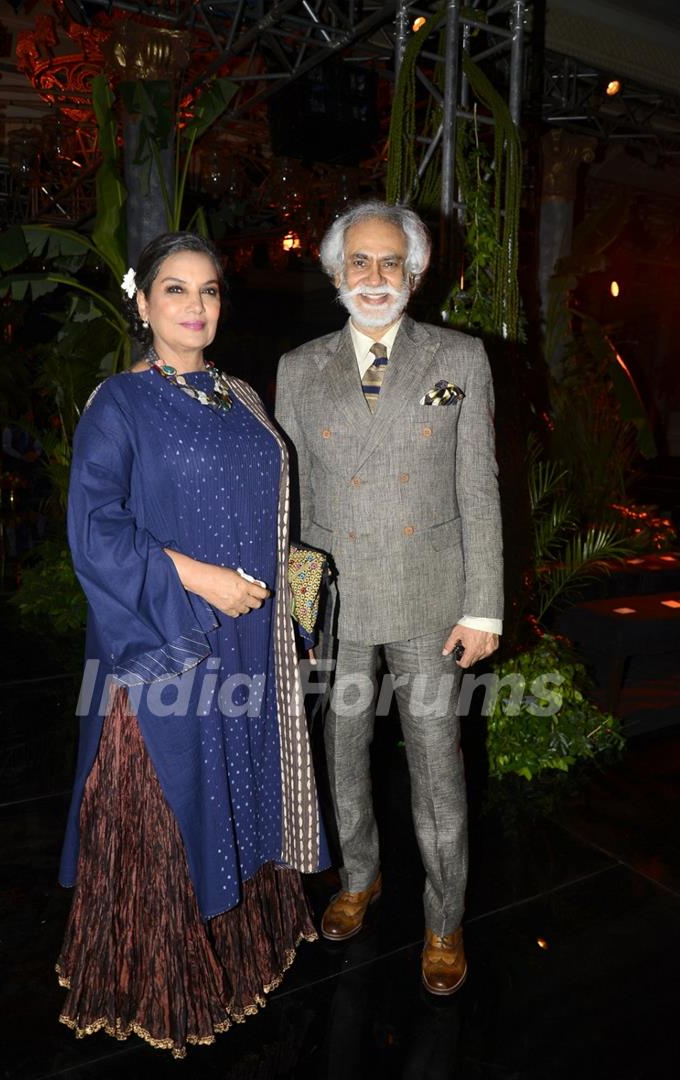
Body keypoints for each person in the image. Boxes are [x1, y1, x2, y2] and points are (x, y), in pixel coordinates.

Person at [56, 231, 328, 1057]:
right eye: (175, 291)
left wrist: (299, 598)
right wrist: (199, 578)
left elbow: (273, 506)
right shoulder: (120, 402)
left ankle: (245, 948)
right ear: (143, 304)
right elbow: (94, 531)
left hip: (251, 641)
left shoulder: (238, 392)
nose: (196, 307)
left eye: (208, 291)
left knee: (243, 783)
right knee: (177, 793)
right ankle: (158, 973)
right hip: (171, 637)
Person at [274, 201, 502, 996]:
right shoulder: (299, 367)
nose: (376, 278)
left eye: (391, 263)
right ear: (336, 272)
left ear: (417, 272)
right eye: (360, 263)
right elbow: (293, 506)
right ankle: (359, 879)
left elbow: (480, 488)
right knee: (343, 759)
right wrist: (299, 617)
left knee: (438, 767)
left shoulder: (460, 357)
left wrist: (485, 607)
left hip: (430, 600)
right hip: (338, 605)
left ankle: (444, 920)